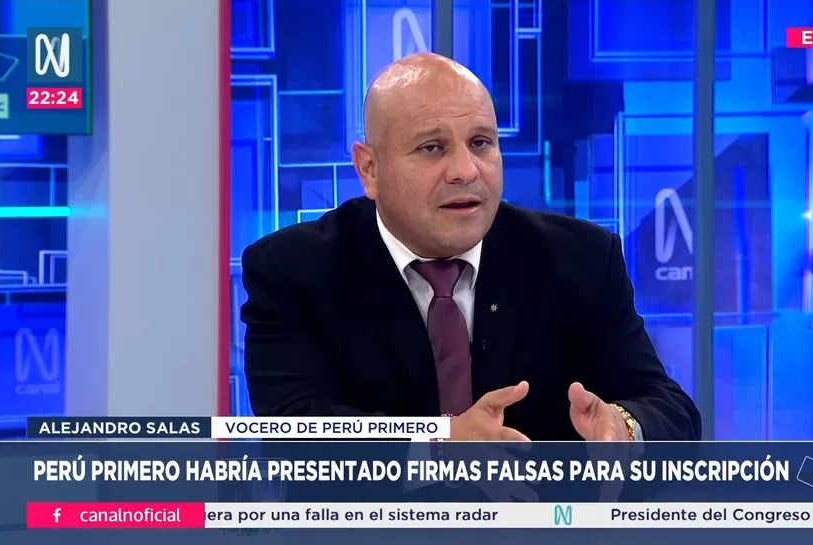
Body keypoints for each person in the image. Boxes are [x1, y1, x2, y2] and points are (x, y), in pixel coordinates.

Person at [240, 53, 700, 442]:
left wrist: (623, 428)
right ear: (370, 169)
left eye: (481, 143)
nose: (466, 170)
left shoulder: (581, 259)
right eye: (432, 148)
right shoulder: (292, 270)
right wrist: (437, 443)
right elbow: (295, 434)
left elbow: (671, 410)